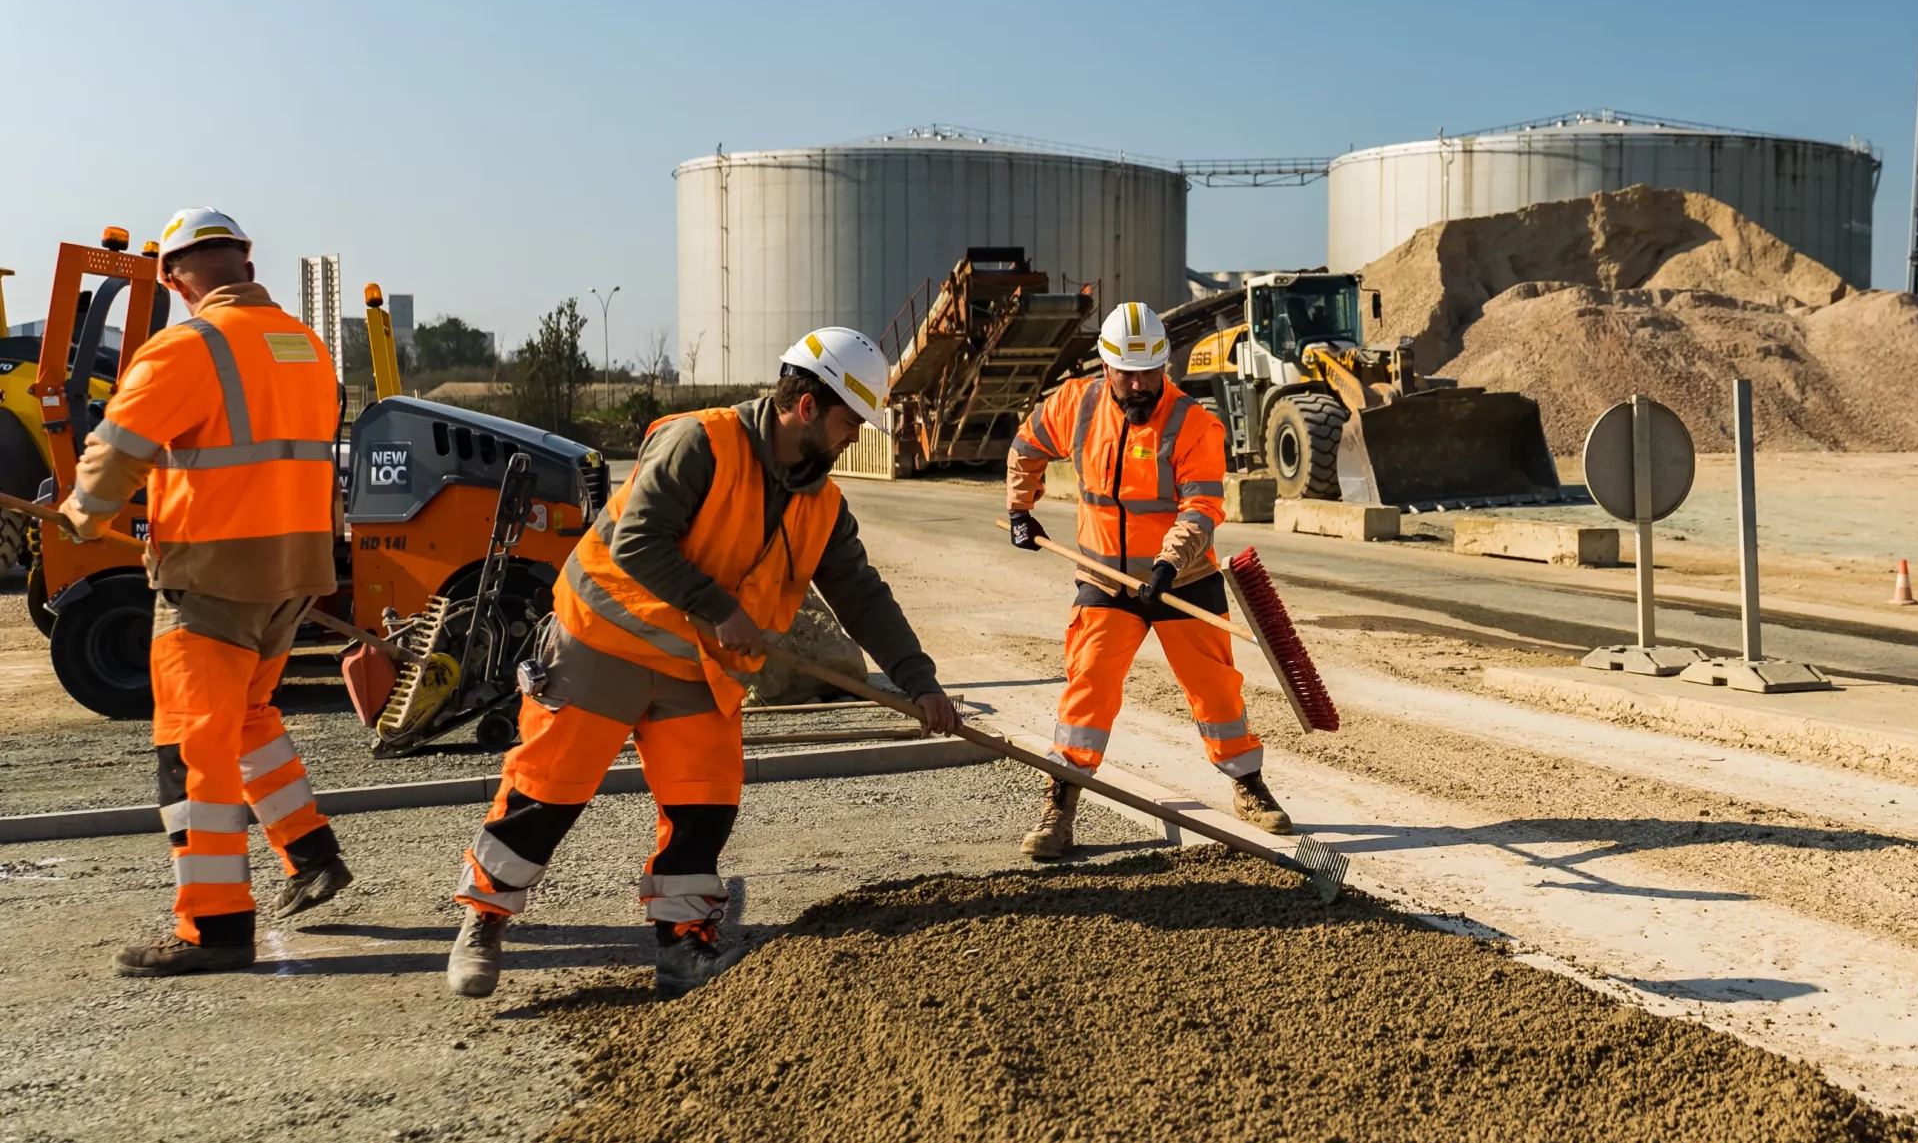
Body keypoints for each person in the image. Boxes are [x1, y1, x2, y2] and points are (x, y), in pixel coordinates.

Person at [446, 328, 958, 1000]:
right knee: (547, 791)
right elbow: (637, 540)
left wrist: (919, 680)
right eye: (847, 420)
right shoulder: (702, 443)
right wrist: (717, 606)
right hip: (604, 642)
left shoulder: (822, 503)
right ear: (805, 406)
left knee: (704, 807)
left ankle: (684, 945)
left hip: (698, 667)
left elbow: (862, 595)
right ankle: (483, 919)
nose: (852, 437)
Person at [61, 209, 354, 975]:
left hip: (215, 577)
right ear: (246, 263)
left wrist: (80, 517)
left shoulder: (186, 346)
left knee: (194, 751)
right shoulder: (306, 346)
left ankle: (215, 927)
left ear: (170, 276)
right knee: (249, 717)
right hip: (295, 571)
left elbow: (118, 448)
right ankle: (311, 853)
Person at [1005, 300, 1292, 859]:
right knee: (1087, 684)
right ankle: (1059, 803)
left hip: (1181, 580)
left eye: (1149, 373)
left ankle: (1247, 785)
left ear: (1165, 366)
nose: (1139, 385)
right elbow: (1026, 446)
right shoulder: (1075, 403)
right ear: (1105, 366)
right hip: (1105, 579)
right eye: (1127, 373)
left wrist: (1167, 565)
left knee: (1215, 690)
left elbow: (1202, 507)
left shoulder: (1194, 424)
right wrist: (1020, 508)